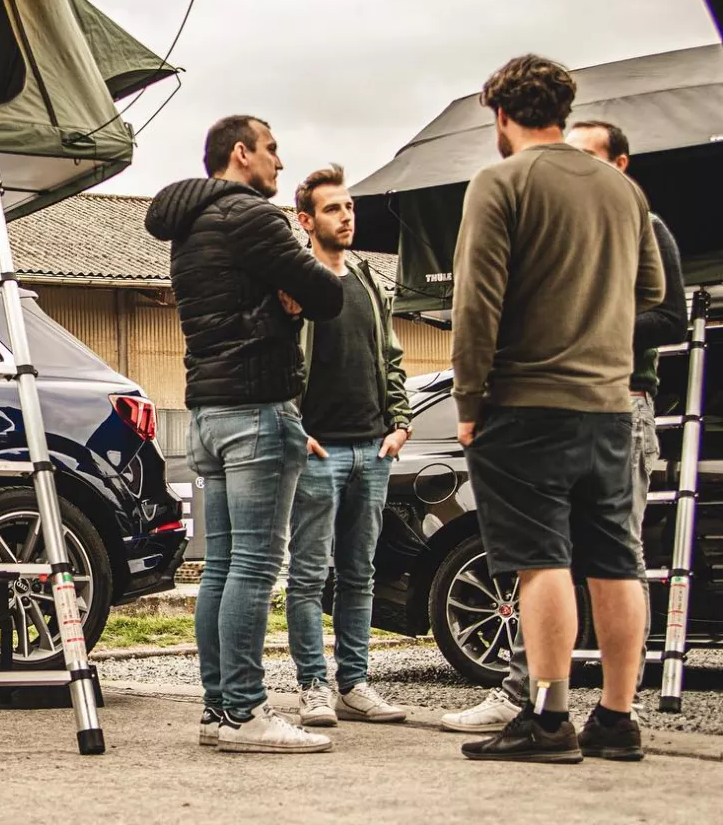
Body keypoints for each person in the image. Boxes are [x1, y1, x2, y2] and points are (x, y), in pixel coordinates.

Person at [441, 120, 687, 743]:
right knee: (615, 562)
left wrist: (470, 399)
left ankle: (548, 718)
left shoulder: (506, 184)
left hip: (553, 403)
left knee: (543, 561)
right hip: (610, 404)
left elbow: (477, 302)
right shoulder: (626, 203)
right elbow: (654, 291)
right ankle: (616, 718)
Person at [145, 115, 343, 753]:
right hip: (259, 408)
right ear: (240, 153)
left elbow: (239, 298)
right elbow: (328, 293)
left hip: (207, 411)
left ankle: (216, 709)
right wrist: (294, 288)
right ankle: (245, 713)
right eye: (272, 150)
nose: (280, 165)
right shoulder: (253, 217)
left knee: (222, 568)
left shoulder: (190, 224)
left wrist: (276, 293)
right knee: (255, 568)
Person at [284, 165, 412, 727]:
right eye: (334, 209)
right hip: (319, 451)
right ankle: (313, 686)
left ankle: (353, 685)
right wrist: (296, 429)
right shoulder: (296, 281)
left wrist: (400, 424)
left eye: (350, 207)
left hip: (373, 450)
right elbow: (279, 362)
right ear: (305, 220)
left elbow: (391, 357)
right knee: (310, 576)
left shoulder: (366, 279)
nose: (348, 216)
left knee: (361, 575)